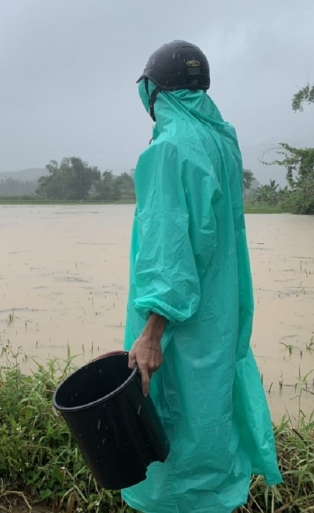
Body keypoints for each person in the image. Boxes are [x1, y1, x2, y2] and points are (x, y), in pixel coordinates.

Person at [122, 41, 282, 512]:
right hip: (219, 318)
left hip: (180, 329)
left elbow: (171, 253)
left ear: (153, 90)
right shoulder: (220, 139)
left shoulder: (170, 149)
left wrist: (152, 332)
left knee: (173, 430)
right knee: (213, 420)